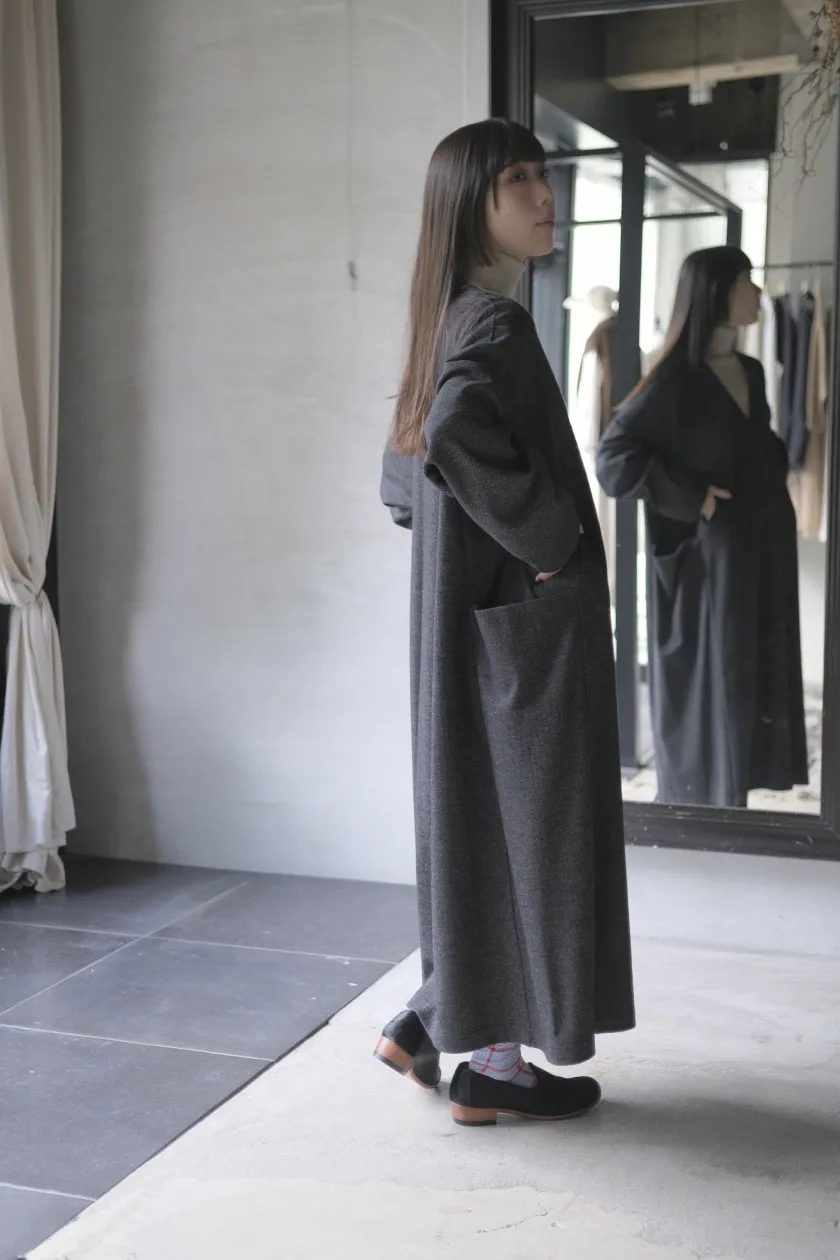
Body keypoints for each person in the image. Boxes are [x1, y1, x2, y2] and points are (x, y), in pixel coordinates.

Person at [376, 118, 635, 1128]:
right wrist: (549, 541)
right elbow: (449, 436)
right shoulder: (495, 325)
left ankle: (434, 1024)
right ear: (470, 206)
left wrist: (469, 548)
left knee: (487, 820)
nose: (543, 195)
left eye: (543, 174)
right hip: (518, 628)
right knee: (532, 830)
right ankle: (489, 1065)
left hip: (467, 625)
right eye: (517, 180)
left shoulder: (441, 322)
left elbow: (400, 483)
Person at [597, 246, 808, 809]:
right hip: (710, 562)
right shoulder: (673, 380)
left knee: (755, 673)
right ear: (716, 292)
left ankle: (738, 798)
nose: (758, 293)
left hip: (758, 549)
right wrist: (693, 498)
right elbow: (614, 461)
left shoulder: (750, 370)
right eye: (747, 281)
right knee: (717, 683)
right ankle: (710, 810)